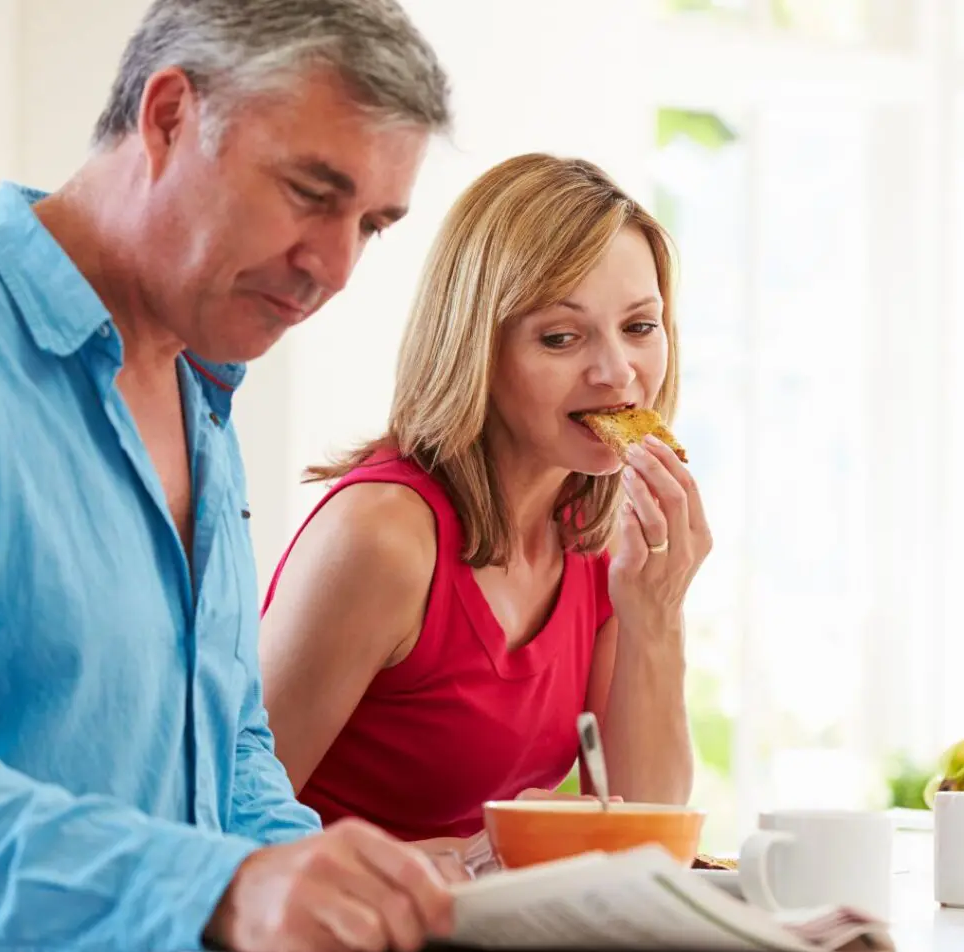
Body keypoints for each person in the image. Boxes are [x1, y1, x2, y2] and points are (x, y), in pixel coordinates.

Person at [0, 0, 457, 952]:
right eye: (308, 192)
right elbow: (207, 872)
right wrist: (220, 886)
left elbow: (229, 742)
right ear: (167, 117)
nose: (334, 268)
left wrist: (308, 870)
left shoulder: (200, 390)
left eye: (370, 225)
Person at [260, 154, 713, 856]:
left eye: (640, 327)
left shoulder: (597, 539)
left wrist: (656, 616)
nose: (617, 374)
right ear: (477, 349)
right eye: (561, 337)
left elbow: (650, 838)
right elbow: (216, 832)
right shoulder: (382, 537)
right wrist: (463, 859)